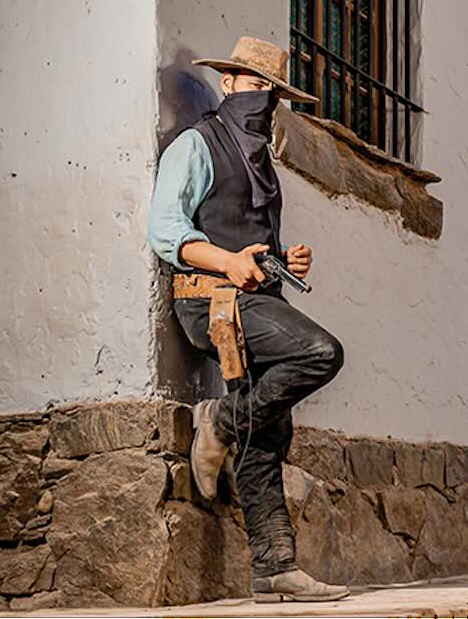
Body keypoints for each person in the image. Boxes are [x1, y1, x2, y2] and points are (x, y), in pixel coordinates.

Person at [146, 36, 348, 603]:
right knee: (320, 353)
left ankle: (275, 568)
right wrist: (229, 261)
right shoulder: (196, 143)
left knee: (272, 430)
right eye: (254, 85)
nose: (262, 98)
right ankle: (222, 421)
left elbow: (255, 247)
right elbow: (166, 231)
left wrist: (287, 259)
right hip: (206, 301)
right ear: (229, 83)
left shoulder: (261, 161)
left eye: (272, 92)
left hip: (254, 301)